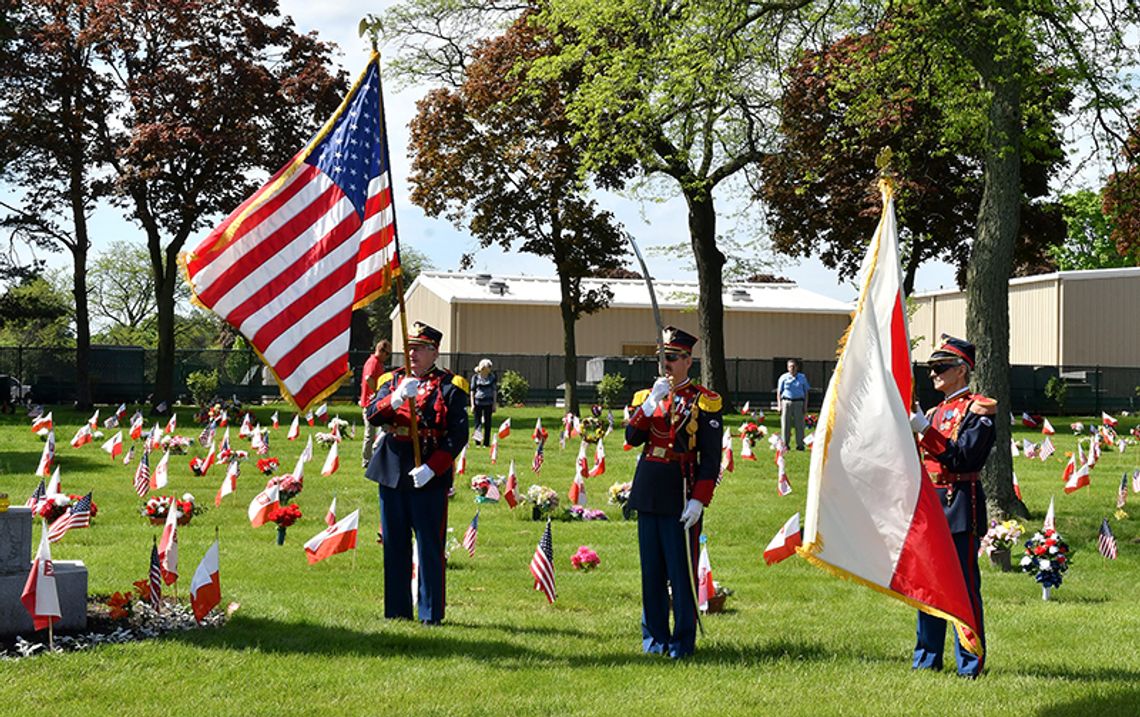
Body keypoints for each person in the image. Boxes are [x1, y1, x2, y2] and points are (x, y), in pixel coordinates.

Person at [625, 326, 722, 659]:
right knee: (651, 571)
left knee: (680, 572)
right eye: (661, 357)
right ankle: (654, 639)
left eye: (672, 358)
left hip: (680, 490)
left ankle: (681, 641)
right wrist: (651, 403)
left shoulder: (703, 400)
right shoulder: (645, 397)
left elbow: (711, 458)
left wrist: (699, 498)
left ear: (688, 360)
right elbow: (633, 438)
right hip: (649, 487)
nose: (665, 363)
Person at [365, 323, 468, 624]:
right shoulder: (393, 379)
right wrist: (394, 398)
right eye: (409, 348)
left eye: (419, 348)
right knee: (394, 543)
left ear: (434, 352)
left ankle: (430, 613)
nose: (412, 354)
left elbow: (457, 435)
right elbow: (373, 413)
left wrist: (434, 468)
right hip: (393, 466)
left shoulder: (451, 385)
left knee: (429, 545)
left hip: (427, 469)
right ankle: (397, 611)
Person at [909, 335, 995, 678]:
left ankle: (970, 662)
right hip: (931, 508)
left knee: (961, 586)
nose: (933, 375)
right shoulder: (933, 412)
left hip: (959, 505)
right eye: (930, 369)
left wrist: (925, 431)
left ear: (962, 370)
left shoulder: (980, 409)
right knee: (927, 585)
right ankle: (927, 658)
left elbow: (963, 458)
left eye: (940, 367)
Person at [360, 340, 392, 467]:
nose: (387, 357)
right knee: (370, 433)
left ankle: (374, 455)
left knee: (385, 429)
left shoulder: (377, 362)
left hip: (374, 403)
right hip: (371, 404)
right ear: (381, 351)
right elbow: (368, 378)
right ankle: (367, 460)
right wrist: (377, 392)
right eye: (388, 354)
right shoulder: (373, 362)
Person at [777, 359, 810, 450]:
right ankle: (785, 445)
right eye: (790, 366)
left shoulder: (802, 377)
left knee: (799, 425)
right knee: (785, 424)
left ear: (797, 367)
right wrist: (779, 405)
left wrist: (805, 405)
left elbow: (806, 392)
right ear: (787, 368)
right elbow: (779, 393)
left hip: (799, 402)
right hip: (786, 402)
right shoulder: (783, 378)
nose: (792, 368)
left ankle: (800, 445)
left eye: (794, 366)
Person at [470, 359, 497, 447]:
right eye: (488, 367)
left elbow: (494, 391)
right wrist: (472, 404)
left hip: (488, 403)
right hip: (478, 403)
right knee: (478, 423)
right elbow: (472, 391)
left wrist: (494, 404)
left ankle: (486, 443)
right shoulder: (475, 378)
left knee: (488, 423)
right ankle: (478, 442)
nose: (490, 368)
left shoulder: (492, 377)